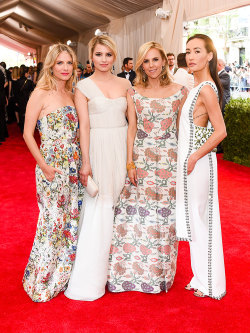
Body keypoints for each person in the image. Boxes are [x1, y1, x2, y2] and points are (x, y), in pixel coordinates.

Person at [108, 41, 187, 294]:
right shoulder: (134, 92)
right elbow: (131, 128)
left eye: (155, 60)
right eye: (146, 61)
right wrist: (129, 162)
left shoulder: (180, 91)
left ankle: (159, 274)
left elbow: (180, 130)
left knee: (164, 217)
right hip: (141, 158)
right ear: (140, 64)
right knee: (134, 213)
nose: (151, 65)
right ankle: (129, 271)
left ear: (164, 61)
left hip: (169, 160)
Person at [64, 35, 130, 301]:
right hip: (98, 148)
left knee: (119, 206)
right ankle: (90, 279)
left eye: (108, 55)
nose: (104, 59)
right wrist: (86, 161)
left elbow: (132, 122)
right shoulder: (83, 86)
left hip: (121, 145)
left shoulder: (126, 83)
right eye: (99, 54)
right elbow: (85, 126)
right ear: (91, 57)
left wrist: (131, 157)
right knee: (100, 207)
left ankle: (118, 271)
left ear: (115, 57)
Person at [22, 43, 83, 302]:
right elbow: (27, 133)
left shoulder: (72, 93)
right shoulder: (41, 93)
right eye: (60, 63)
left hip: (73, 165)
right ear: (51, 65)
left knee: (70, 222)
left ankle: (61, 274)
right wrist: (44, 166)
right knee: (52, 221)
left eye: (69, 63)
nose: (66, 68)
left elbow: (77, 131)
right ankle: (41, 277)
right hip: (52, 167)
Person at [176, 34, 227, 299]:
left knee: (200, 221)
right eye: (188, 51)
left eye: (197, 51)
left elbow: (220, 132)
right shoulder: (196, 87)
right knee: (194, 221)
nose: (191, 56)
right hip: (189, 159)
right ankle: (200, 276)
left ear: (209, 55)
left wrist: (194, 156)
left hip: (198, 161)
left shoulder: (206, 88)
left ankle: (210, 283)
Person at [16, 66, 35, 132]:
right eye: (28, 73)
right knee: (28, 114)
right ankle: (28, 128)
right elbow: (33, 91)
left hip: (20, 100)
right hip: (28, 100)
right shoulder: (29, 82)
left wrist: (16, 101)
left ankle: (22, 128)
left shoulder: (18, 81)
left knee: (21, 114)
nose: (29, 74)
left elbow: (16, 92)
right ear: (25, 73)